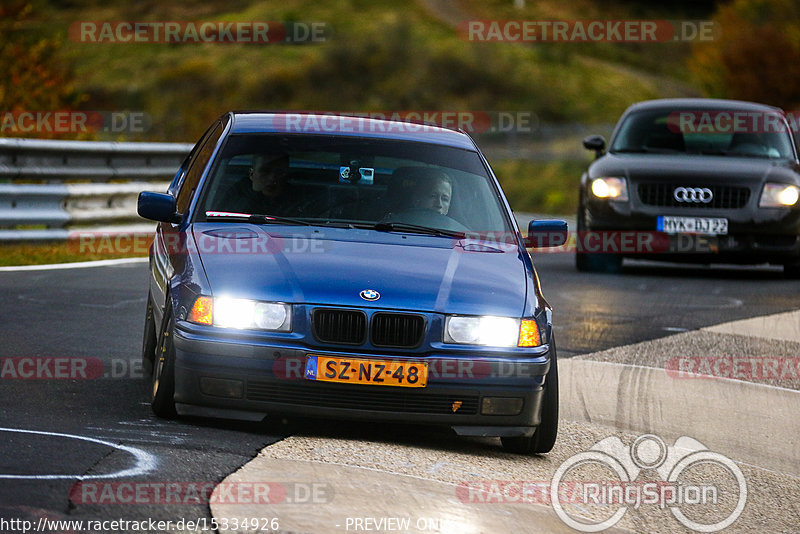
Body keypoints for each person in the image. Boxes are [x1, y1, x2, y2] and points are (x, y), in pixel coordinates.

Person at [217, 154, 296, 215]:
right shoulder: (235, 200)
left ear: (286, 176)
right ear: (251, 174)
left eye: (279, 172)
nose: (272, 178)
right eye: (264, 171)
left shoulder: (299, 203)